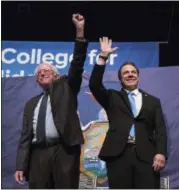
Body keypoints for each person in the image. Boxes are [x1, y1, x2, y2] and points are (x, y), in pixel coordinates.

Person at [14, 13, 88, 189]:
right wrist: (20, 165)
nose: (42, 73)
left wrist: (79, 31)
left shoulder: (67, 87)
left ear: (56, 75)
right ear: (37, 81)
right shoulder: (31, 104)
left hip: (64, 151)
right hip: (38, 155)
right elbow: (25, 137)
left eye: (46, 70)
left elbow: (77, 63)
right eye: (39, 73)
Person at [89, 37, 167, 189]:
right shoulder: (112, 97)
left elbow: (160, 130)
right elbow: (94, 85)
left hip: (147, 156)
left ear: (138, 76)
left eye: (133, 72)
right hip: (118, 156)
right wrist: (103, 57)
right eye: (126, 73)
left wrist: (161, 153)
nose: (130, 75)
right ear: (120, 79)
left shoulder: (153, 101)